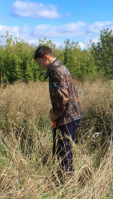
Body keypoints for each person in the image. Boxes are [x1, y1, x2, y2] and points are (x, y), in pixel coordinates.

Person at [34, 46, 82, 181]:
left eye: (40, 62)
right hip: (72, 116)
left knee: (64, 153)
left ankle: (65, 185)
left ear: (46, 58)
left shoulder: (55, 72)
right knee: (64, 151)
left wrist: (56, 114)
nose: (41, 66)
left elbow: (63, 98)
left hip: (66, 118)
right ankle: (63, 180)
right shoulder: (63, 68)